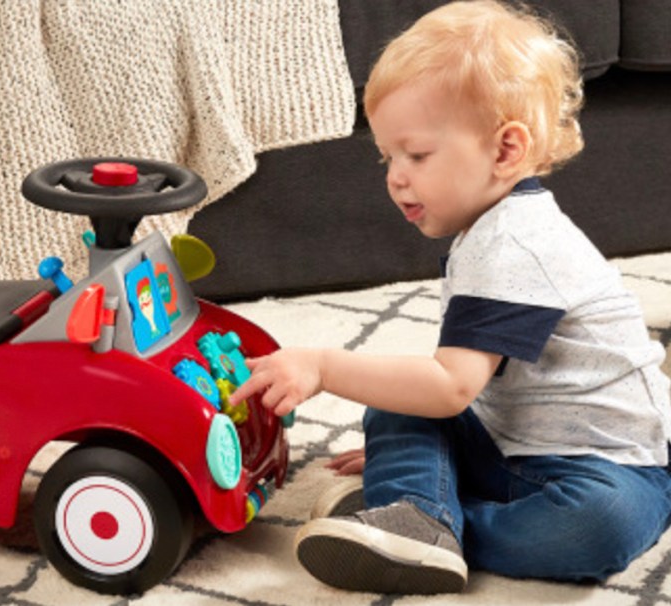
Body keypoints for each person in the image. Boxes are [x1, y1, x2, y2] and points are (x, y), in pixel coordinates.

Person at [228, 0, 671, 595]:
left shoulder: (518, 243)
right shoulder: (489, 228)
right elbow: (455, 392)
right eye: (388, 157)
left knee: (600, 529)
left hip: (609, 467)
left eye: (417, 154)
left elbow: (451, 386)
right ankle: (419, 512)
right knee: (394, 399)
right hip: (511, 440)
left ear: (505, 151)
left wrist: (324, 365)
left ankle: (430, 517)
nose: (395, 176)